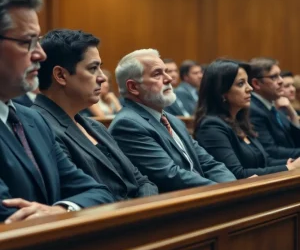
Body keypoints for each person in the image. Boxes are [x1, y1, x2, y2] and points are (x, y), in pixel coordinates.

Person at [0, 0, 114, 223]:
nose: (40, 53)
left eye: (38, 41)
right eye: (26, 42)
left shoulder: (33, 119)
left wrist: (62, 209)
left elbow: (100, 192)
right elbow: (11, 219)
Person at [32, 29, 158, 201]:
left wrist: (143, 209)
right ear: (61, 75)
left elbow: (143, 181)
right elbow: (86, 195)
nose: (102, 78)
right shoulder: (39, 127)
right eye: (93, 68)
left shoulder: (95, 126)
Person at [109, 49, 236, 193]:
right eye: (157, 74)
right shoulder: (127, 125)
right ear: (133, 87)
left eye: (166, 71)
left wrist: (232, 187)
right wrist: (222, 191)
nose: (168, 78)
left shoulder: (173, 121)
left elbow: (209, 163)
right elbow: (171, 176)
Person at [194, 60, 300, 179]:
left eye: (247, 82)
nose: (249, 88)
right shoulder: (211, 127)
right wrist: (289, 168)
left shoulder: (239, 121)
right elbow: (236, 174)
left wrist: (292, 164)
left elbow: (266, 161)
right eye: (241, 84)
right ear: (222, 92)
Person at [249, 57, 300, 160]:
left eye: (280, 75)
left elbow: (295, 140)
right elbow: (271, 151)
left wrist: (292, 114)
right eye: (274, 77)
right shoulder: (253, 110)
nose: (281, 81)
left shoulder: (272, 106)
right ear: (256, 83)